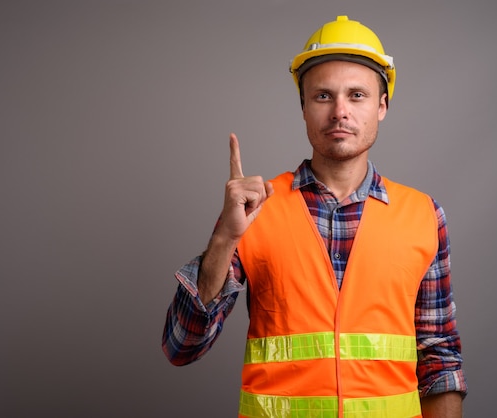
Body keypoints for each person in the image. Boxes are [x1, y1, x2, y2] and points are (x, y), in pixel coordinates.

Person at [162, 15, 467, 418]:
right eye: (323, 96)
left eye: (356, 95)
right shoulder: (255, 210)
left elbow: (439, 361)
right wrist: (224, 240)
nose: (340, 111)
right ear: (303, 107)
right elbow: (182, 347)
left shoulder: (424, 215)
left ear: (382, 106)